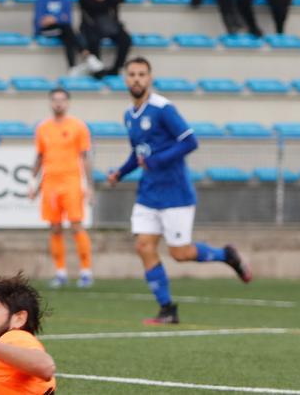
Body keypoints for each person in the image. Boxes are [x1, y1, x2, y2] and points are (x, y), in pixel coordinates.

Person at [105, 57, 252, 325]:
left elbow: (190, 141)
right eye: (132, 74)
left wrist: (157, 161)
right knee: (143, 246)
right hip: (148, 193)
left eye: (142, 74)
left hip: (175, 193)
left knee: (180, 253)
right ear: (125, 79)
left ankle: (226, 255)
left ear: (150, 78)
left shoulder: (163, 109)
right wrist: (120, 173)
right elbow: (138, 154)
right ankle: (167, 309)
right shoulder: (129, 115)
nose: (137, 79)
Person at [30, 88, 95, 288]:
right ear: (51, 103)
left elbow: (85, 157)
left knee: (76, 224)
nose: (58, 103)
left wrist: (89, 185)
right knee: (55, 227)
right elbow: (40, 157)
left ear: (67, 103)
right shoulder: (43, 128)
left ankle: (85, 271)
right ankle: (60, 272)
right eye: (55, 100)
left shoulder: (78, 127)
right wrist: (33, 184)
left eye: (62, 100)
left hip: (71, 182)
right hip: (50, 183)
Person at [33, 0, 100, 75]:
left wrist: (53, 19)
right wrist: (58, 18)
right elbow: (40, 20)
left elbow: (68, 19)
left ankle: (72, 68)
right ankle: (88, 56)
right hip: (45, 31)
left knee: (68, 36)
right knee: (68, 31)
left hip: (61, 29)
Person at [78, 0, 133, 78]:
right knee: (92, 40)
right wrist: (110, 0)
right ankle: (98, 70)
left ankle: (116, 68)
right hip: (91, 24)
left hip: (111, 24)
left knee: (126, 40)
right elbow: (89, 4)